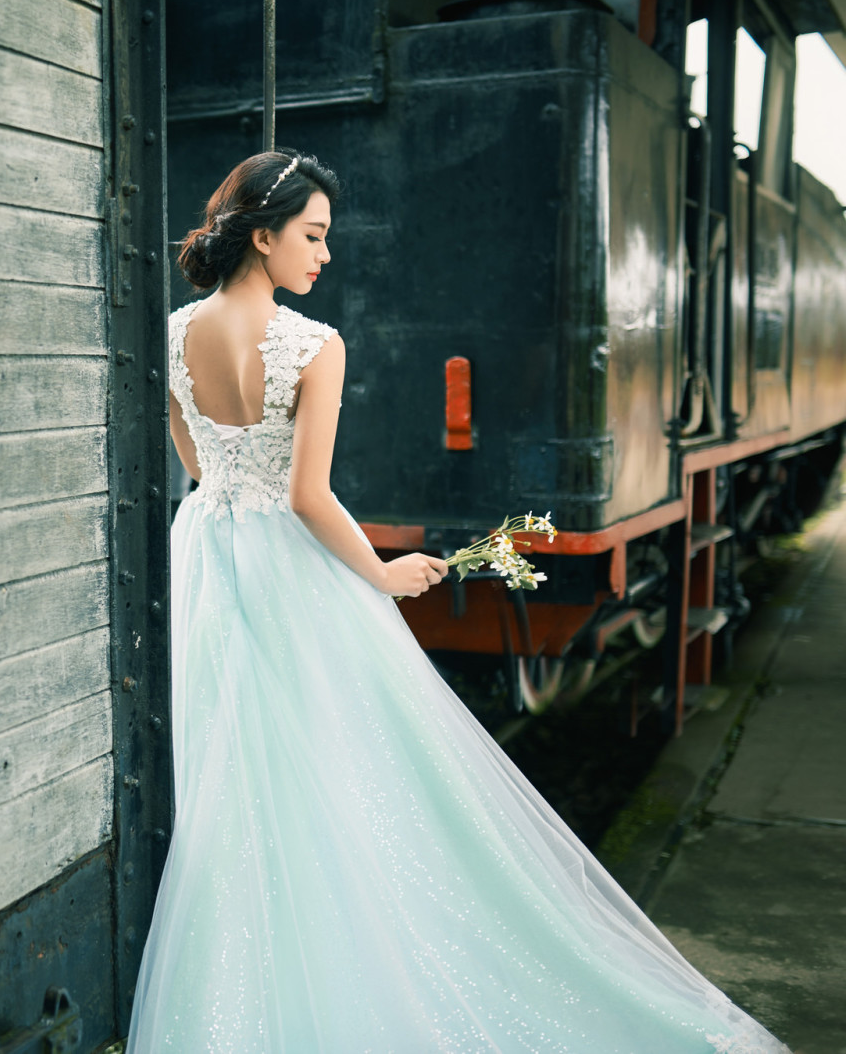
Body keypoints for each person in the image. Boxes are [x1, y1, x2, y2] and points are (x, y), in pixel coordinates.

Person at [123, 150, 788, 1053]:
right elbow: (310, 498)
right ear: (266, 235)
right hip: (292, 564)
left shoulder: (169, 332)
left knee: (233, 775)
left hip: (208, 552)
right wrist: (387, 575)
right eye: (314, 237)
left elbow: (197, 467)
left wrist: (232, 487)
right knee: (337, 772)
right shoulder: (314, 345)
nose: (325, 256)